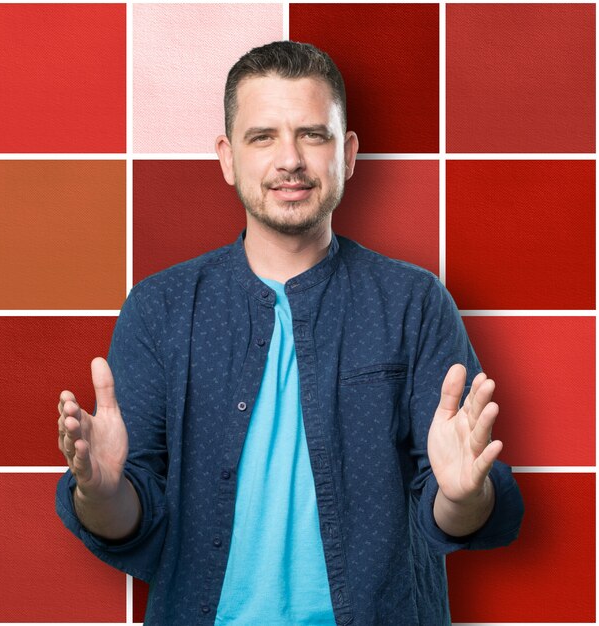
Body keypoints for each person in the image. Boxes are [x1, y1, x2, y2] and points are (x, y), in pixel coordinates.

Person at [56, 41, 524, 625]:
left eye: (313, 134)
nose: (290, 160)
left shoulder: (414, 302)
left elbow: (461, 508)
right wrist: (99, 494)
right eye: (263, 137)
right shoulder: (161, 308)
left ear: (347, 153)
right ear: (227, 157)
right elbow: (135, 525)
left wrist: (460, 496)